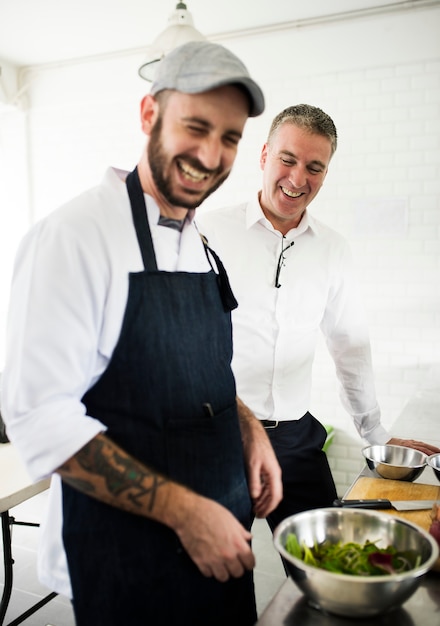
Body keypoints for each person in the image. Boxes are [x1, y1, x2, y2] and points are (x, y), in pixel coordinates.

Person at [0, 42, 282, 626]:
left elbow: (192, 374)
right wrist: (187, 515)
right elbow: (38, 418)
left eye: (229, 138)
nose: (211, 153)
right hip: (127, 562)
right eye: (195, 127)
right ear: (149, 115)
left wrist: (246, 427)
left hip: (221, 548)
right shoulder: (73, 238)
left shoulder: (200, 246)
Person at [196, 103, 440, 535]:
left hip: (295, 439)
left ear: (326, 173)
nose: (297, 178)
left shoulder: (333, 248)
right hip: (215, 435)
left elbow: (349, 344)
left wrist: (375, 433)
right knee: (220, 570)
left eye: (315, 167)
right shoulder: (206, 233)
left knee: (331, 553)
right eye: (287, 160)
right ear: (264, 156)